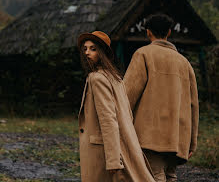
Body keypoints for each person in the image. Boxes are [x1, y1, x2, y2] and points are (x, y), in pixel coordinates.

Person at [124, 14, 199, 182]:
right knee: (170, 176)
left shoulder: (143, 54)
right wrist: (191, 142)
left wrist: (118, 124)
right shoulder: (184, 62)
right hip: (178, 137)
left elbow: (127, 95)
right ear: (169, 32)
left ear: (148, 32)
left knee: (153, 176)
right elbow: (194, 106)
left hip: (150, 137)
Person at [78, 30, 155, 182]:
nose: (87, 53)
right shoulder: (115, 78)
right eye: (85, 49)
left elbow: (108, 118)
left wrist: (113, 159)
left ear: (103, 52)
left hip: (102, 151)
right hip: (118, 145)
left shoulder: (97, 79)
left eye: (93, 49)